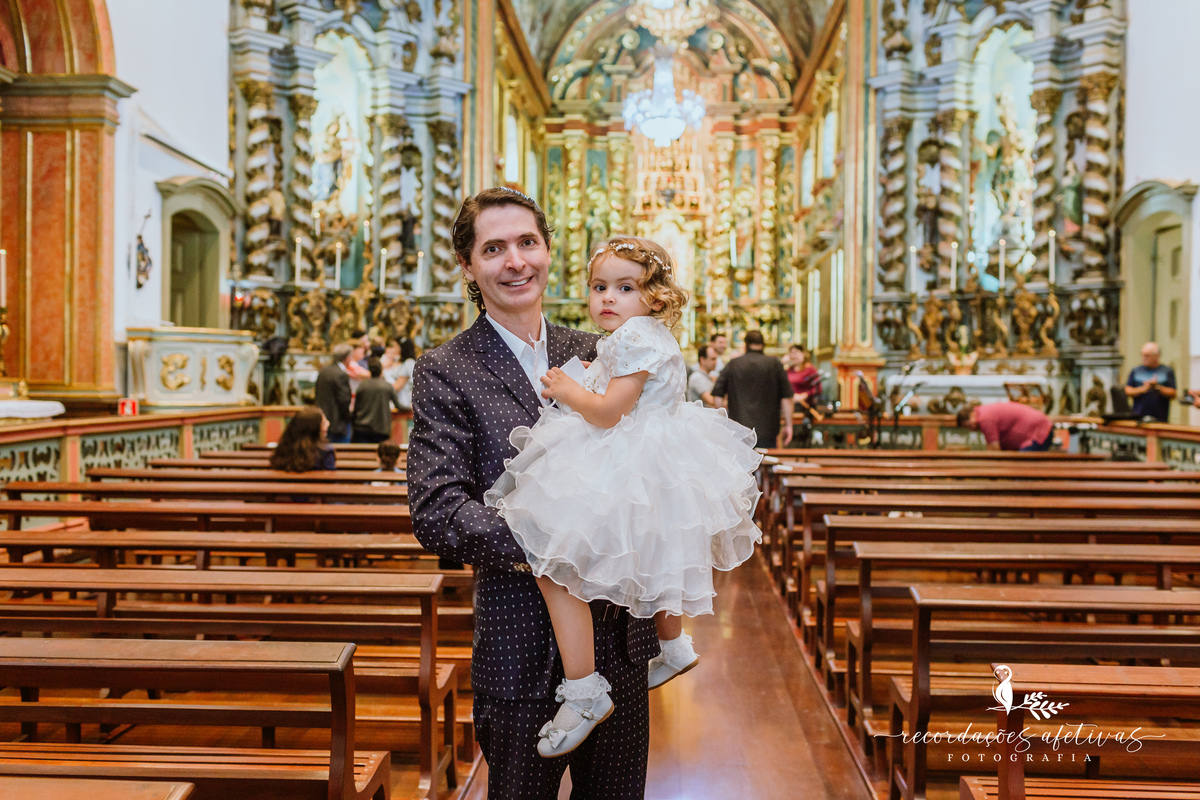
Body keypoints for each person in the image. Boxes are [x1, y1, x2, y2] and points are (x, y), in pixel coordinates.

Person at [408, 187, 659, 798]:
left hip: (620, 641)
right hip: (520, 644)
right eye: (493, 249)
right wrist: (552, 531)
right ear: (468, 267)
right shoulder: (447, 368)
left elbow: (650, 456)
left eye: (527, 243)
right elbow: (437, 512)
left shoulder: (599, 348)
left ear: (548, 251)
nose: (515, 261)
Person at [485, 235, 761, 758]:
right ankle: (674, 645)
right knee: (660, 557)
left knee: (555, 562)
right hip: (657, 456)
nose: (607, 298)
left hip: (628, 453)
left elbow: (609, 411)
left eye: (625, 287)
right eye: (599, 287)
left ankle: (585, 688)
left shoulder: (635, 336)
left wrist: (568, 390)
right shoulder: (642, 334)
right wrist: (585, 378)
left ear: (654, 296)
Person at [712, 330, 795, 449]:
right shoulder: (775, 364)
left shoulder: (733, 364)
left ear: (745, 344)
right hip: (768, 430)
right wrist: (789, 425)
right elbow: (787, 398)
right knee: (768, 464)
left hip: (738, 430)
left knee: (740, 466)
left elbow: (718, 395)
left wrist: (724, 421)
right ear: (763, 344)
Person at [956, 401, 1054, 451]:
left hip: (1038, 432)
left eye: (969, 425)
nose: (972, 429)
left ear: (972, 415)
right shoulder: (983, 412)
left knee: (1023, 470)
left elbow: (994, 450)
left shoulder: (984, 418)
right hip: (1041, 429)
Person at [351, 357, 403, 443]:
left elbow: (356, 408)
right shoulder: (387, 386)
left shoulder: (362, 386)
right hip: (381, 429)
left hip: (361, 428)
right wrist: (413, 407)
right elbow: (399, 406)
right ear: (381, 370)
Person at [269, 406, 336, 471]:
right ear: (314, 429)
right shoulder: (325, 454)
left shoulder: (283, 451)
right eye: (324, 423)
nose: (328, 424)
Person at [1124, 342, 1177, 422]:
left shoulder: (1166, 371)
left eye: (1147, 355)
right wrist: (1144, 389)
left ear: (1157, 356)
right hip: (1138, 415)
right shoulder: (1136, 371)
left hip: (1160, 416)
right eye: (1142, 355)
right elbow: (1127, 391)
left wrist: (1157, 387)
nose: (1143, 358)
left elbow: (1173, 393)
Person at [315, 343, 355, 444]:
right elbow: (344, 400)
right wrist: (349, 417)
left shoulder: (323, 371)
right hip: (338, 424)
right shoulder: (341, 374)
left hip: (322, 420)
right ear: (347, 358)